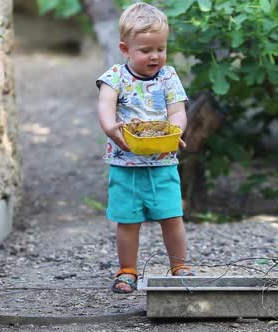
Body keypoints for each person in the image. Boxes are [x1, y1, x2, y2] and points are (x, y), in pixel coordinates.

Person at [95, 2, 193, 294]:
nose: (155, 56)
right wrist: (111, 127)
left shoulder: (168, 77)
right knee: (127, 221)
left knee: (172, 216)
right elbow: (105, 105)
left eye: (160, 49)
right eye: (146, 50)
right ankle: (127, 270)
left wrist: (176, 131)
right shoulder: (115, 76)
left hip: (163, 162)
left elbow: (177, 111)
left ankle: (180, 265)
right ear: (125, 49)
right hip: (126, 164)